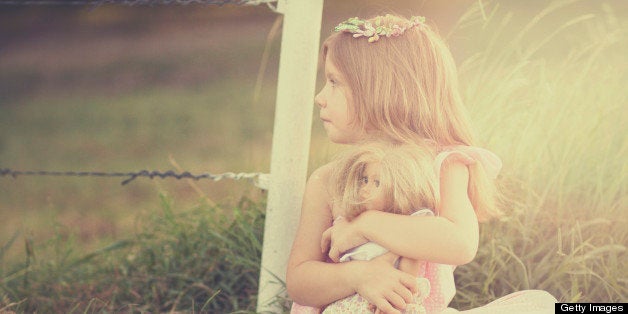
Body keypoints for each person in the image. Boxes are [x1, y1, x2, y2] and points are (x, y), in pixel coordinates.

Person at [287, 14, 556, 314]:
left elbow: (459, 242)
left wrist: (365, 225)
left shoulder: (443, 165)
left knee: (542, 306)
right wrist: (358, 275)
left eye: (334, 82)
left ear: (381, 90)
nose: (320, 97)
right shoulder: (329, 181)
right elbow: (299, 281)